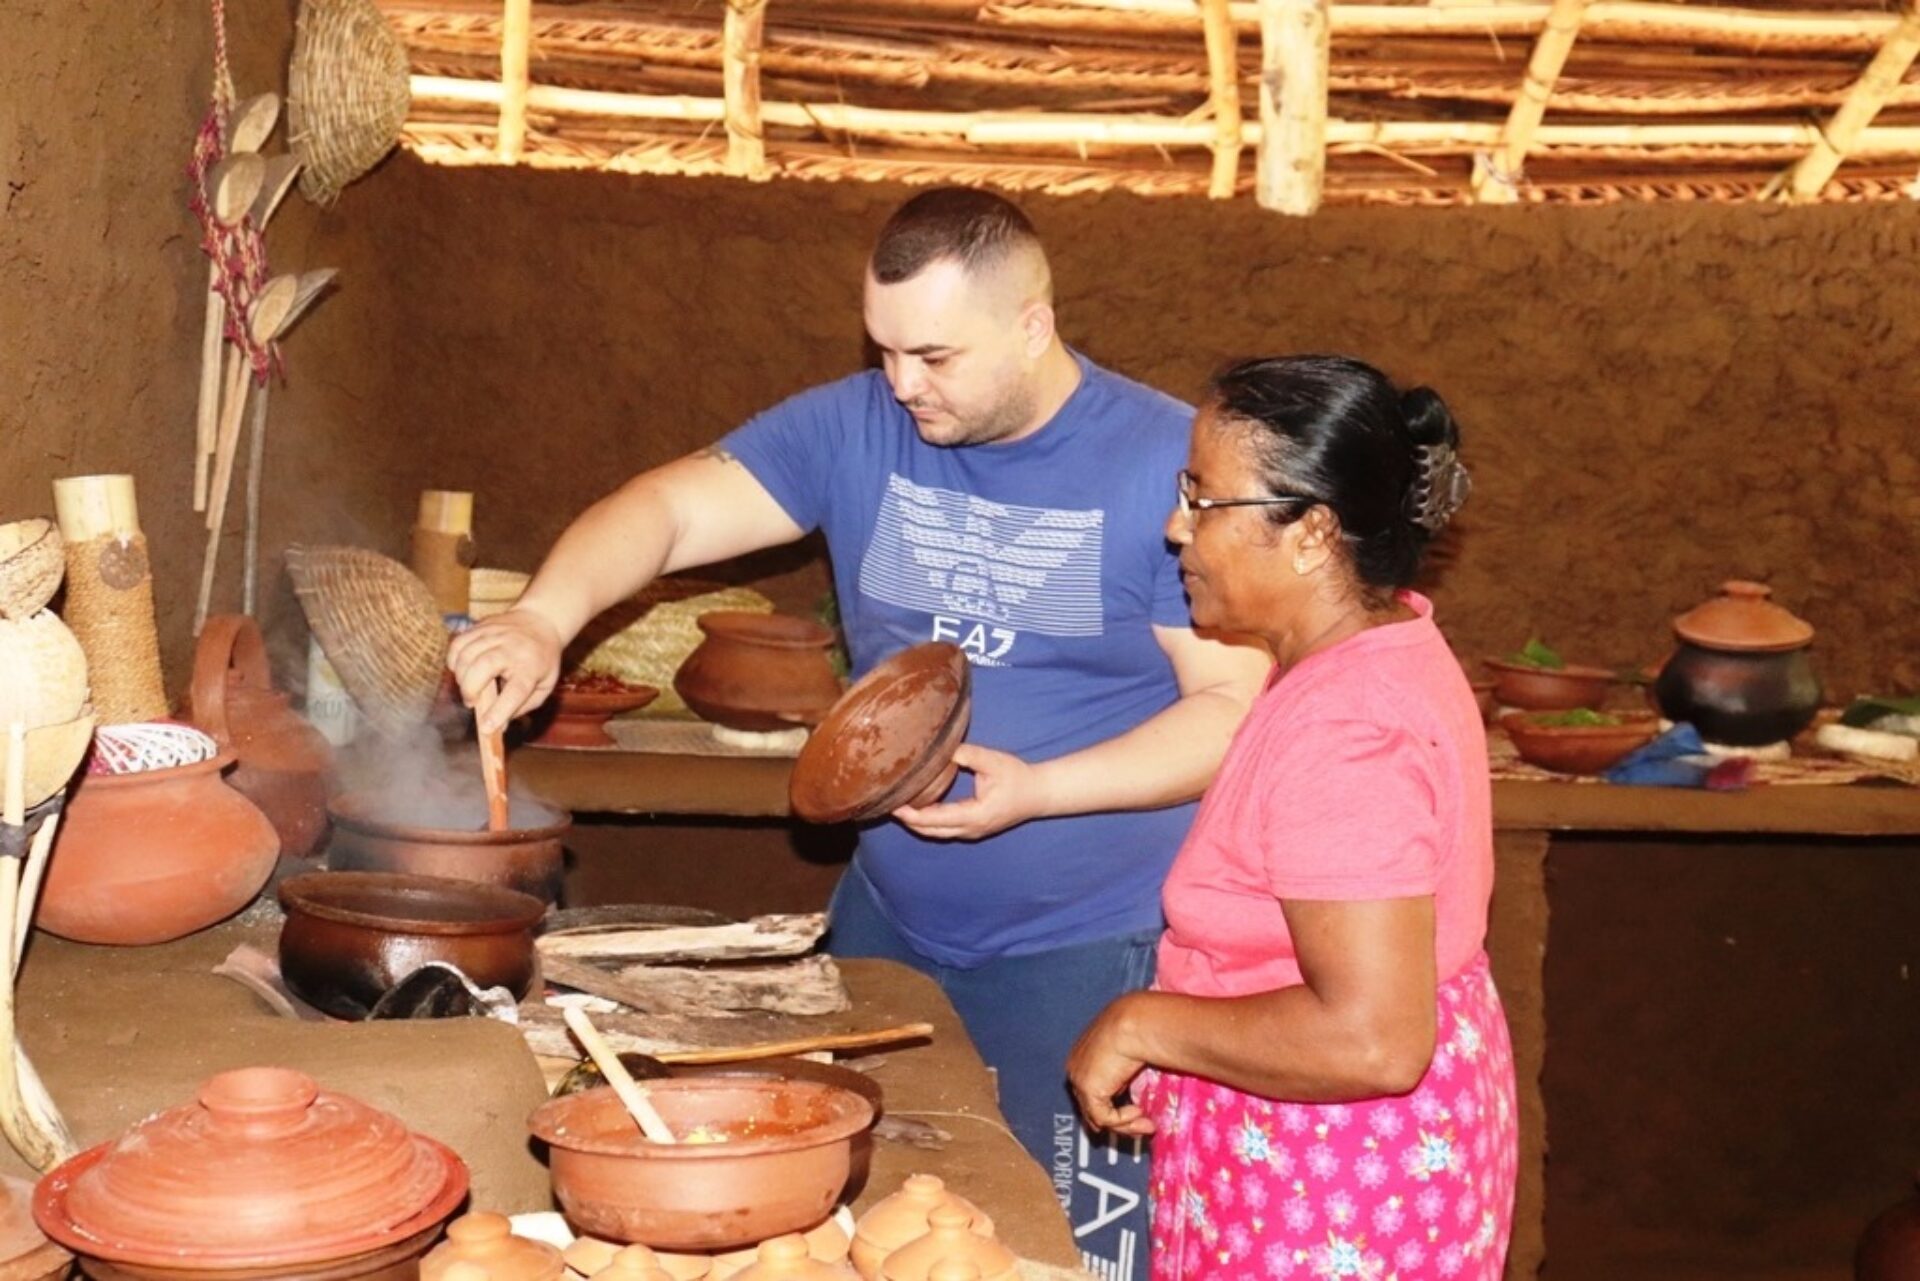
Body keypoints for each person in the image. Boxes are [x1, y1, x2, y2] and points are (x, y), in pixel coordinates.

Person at [448, 188, 1269, 1272]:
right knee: (861, 1225)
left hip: (1088, 944)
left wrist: (1041, 791)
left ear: (1033, 324)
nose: (902, 385)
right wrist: (545, 617)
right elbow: (671, 510)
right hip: (887, 926)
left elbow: (1231, 711)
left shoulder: (1163, 461)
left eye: (934, 356)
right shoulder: (857, 424)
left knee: (1059, 1248)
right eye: (883, 350)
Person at [1065, 355, 1516, 1281]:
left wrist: (1142, 1023)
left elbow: (1372, 1039)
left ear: (1311, 532)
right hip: (1358, 1168)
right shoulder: (1379, 648)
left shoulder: (1346, 730)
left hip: (1336, 1189)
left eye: (1203, 500)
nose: (1174, 528)